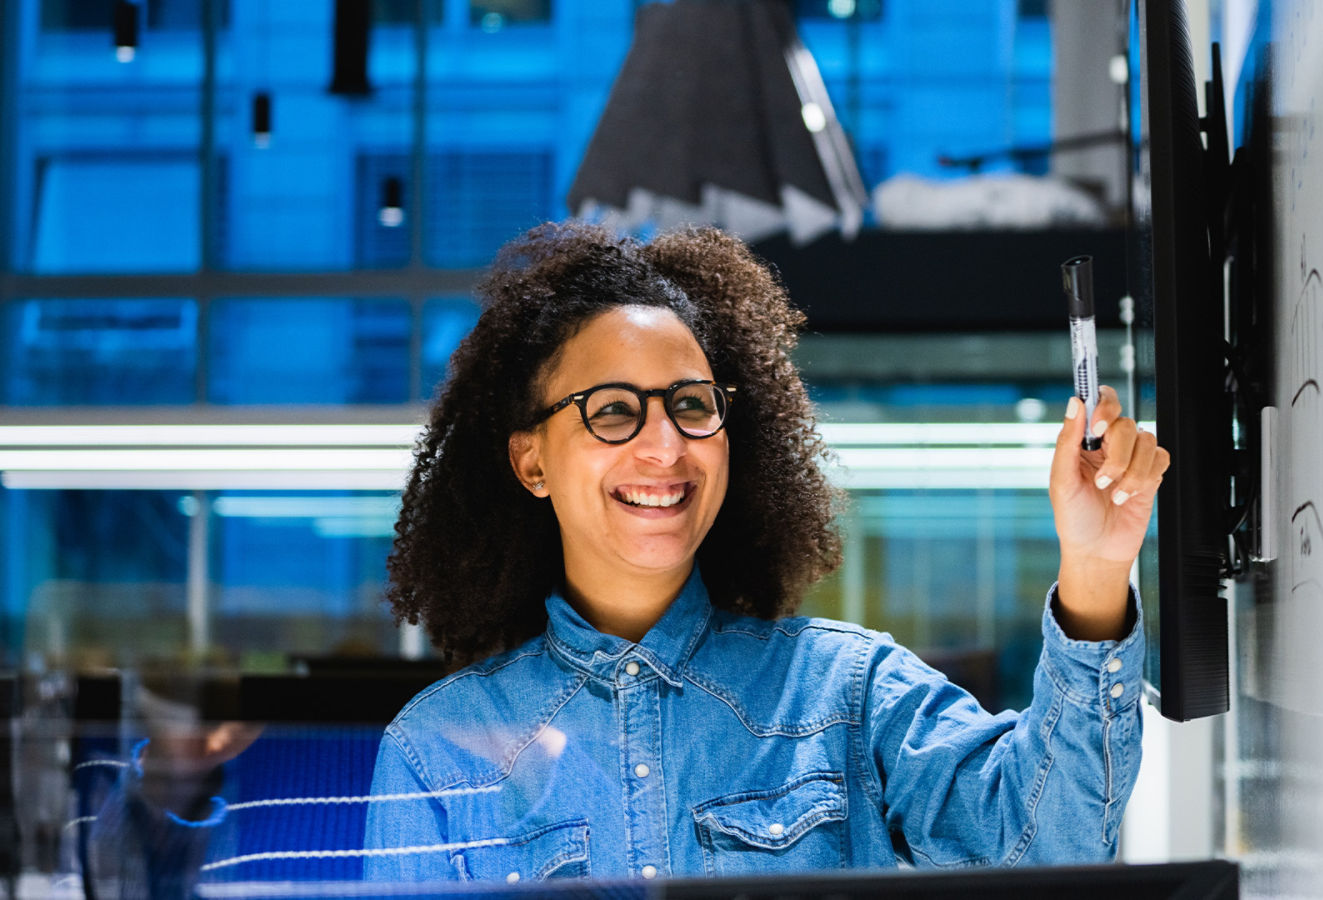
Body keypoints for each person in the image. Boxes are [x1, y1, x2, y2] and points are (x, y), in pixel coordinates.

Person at [365, 223, 1169, 882]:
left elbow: (1048, 847)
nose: (665, 445)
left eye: (691, 405)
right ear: (532, 460)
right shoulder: (437, 752)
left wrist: (1096, 571)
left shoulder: (847, 695)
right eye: (613, 411)